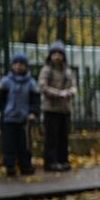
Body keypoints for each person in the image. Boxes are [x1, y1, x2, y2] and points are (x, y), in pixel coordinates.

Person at [0, 53, 40, 176]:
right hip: (8, 118)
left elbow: (35, 100)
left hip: (24, 119)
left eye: (21, 64)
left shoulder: (31, 83)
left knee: (24, 145)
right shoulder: (6, 81)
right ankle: (10, 166)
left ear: (26, 66)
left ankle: (25, 166)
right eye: (16, 64)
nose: (18, 66)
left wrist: (33, 112)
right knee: (9, 144)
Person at [39, 41, 77, 170]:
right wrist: (59, 93)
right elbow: (43, 87)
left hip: (65, 109)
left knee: (63, 137)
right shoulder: (46, 70)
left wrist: (71, 92)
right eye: (54, 54)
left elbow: (74, 85)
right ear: (50, 56)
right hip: (51, 109)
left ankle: (63, 160)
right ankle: (50, 162)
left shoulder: (68, 71)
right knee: (51, 137)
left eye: (59, 54)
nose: (57, 56)